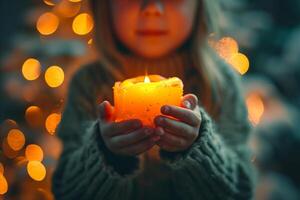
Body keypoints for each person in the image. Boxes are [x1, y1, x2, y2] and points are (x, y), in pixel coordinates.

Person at [52, 0, 254, 199]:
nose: (152, 9)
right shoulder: (88, 84)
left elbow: (239, 191)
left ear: (200, 6)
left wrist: (198, 146)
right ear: (104, 6)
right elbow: (67, 191)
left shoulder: (220, 82)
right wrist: (107, 154)